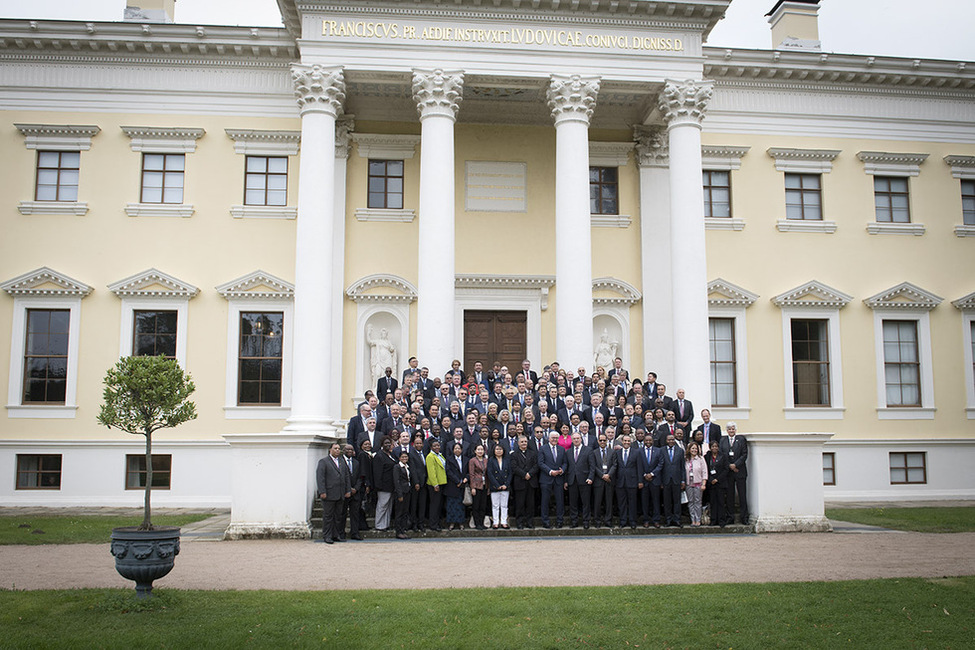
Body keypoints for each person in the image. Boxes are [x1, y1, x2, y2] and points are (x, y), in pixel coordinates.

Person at [316, 442, 351, 544]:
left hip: (340, 493)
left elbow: (346, 476)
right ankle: (327, 535)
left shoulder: (341, 461)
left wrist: (347, 490)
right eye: (335, 448)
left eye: (339, 448)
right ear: (330, 450)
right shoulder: (324, 462)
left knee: (338, 516)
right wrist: (322, 491)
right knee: (328, 516)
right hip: (329, 493)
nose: (337, 450)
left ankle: (336, 535)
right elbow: (320, 478)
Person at [720, 421, 749, 525]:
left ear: (735, 430)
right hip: (729, 473)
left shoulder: (741, 440)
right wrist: (730, 466)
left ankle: (744, 517)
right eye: (729, 429)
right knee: (729, 496)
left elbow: (744, 454)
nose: (731, 430)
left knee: (742, 495)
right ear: (727, 430)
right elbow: (722, 455)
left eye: (733, 429)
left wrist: (736, 465)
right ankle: (730, 517)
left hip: (740, 471)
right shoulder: (722, 440)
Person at [537, 430, 567, 528]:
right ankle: (545, 521)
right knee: (545, 501)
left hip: (559, 479)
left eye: (556, 438)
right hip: (546, 478)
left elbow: (565, 463)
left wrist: (562, 470)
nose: (554, 439)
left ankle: (560, 521)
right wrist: (550, 471)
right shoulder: (542, 448)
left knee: (560, 501)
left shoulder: (562, 449)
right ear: (549, 438)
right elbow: (540, 463)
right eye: (552, 438)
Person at [565, 431, 594, 528]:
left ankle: (586, 521)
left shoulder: (588, 450)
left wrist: (590, 477)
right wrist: (566, 480)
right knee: (573, 502)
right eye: (574, 438)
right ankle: (574, 521)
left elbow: (592, 466)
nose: (576, 440)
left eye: (578, 438)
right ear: (572, 440)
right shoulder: (568, 452)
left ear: (581, 439)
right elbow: (567, 467)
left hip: (585, 480)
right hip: (572, 480)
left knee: (585, 502)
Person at [613, 434, 642, 529]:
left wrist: (640, 481)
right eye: (625, 441)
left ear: (631, 442)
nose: (626, 443)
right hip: (620, 482)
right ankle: (623, 521)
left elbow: (639, 468)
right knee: (621, 503)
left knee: (632, 503)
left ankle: (633, 521)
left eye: (628, 441)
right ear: (622, 442)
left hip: (632, 481)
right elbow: (615, 468)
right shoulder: (617, 453)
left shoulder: (636, 452)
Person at [511, 435, 538, 529]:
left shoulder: (533, 453)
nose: (524, 443)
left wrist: (529, 474)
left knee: (530, 504)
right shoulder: (514, 454)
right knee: (520, 504)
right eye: (522, 442)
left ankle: (530, 522)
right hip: (520, 482)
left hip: (531, 481)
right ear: (518, 443)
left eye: (525, 442)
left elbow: (536, 465)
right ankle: (519, 523)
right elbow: (514, 467)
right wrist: (524, 474)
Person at [339, 444, 364, 541]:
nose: (349, 451)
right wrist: (348, 489)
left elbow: (359, 477)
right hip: (344, 492)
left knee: (355, 514)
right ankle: (341, 533)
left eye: (351, 449)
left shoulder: (356, 462)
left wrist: (356, 488)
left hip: (355, 492)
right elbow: (341, 478)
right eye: (347, 449)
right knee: (342, 514)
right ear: (343, 451)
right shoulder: (340, 462)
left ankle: (355, 533)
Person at [661, 434, 686, 527]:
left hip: (677, 480)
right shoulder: (662, 450)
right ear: (666, 440)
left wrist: (683, 481)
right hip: (666, 480)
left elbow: (682, 467)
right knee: (667, 502)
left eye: (672, 439)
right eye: (669, 439)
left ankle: (677, 519)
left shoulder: (680, 451)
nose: (671, 441)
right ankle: (668, 519)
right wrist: (661, 481)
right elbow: (661, 466)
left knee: (677, 501)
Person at [372, 436, 396, 531]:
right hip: (383, 486)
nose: (388, 445)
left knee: (388, 506)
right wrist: (378, 486)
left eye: (389, 443)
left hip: (391, 485)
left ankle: (385, 524)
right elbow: (377, 472)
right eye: (386, 443)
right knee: (382, 506)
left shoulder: (390, 455)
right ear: (382, 444)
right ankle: (379, 525)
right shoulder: (379, 455)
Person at [487, 442, 512, 529]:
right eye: (497, 449)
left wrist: (506, 484)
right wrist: (496, 485)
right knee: (495, 505)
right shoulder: (491, 460)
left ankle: (504, 521)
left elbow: (510, 473)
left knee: (504, 505)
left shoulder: (507, 460)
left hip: (505, 486)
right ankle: (496, 521)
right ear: (494, 450)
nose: (498, 451)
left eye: (500, 449)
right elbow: (489, 473)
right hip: (495, 486)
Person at [444, 442, 468, 530]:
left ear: (462, 450)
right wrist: (457, 481)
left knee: (461, 505)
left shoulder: (466, 459)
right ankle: (452, 523)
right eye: (455, 448)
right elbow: (448, 471)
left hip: (463, 485)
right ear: (453, 450)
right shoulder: (449, 459)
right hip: (452, 485)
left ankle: (461, 523)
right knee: (451, 505)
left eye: (459, 448)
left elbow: (469, 471)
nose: (457, 450)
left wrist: (466, 478)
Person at [705, 440, 728, 527]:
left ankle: (722, 520)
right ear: (710, 448)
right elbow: (705, 469)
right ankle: (713, 520)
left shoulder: (723, 456)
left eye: (716, 446)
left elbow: (726, 469)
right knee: (713, 502)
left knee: (721, 502)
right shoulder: (707, 457)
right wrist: (711, 479)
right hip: (711, 483)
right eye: (713, 446)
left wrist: (717, 479)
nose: (714, 448)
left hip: (720, 483)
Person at [366, 324, 397, 389]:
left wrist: (392, 349)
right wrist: (368, 333)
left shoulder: (389, 342)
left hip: (387, 359)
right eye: (382, 333)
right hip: (379, 359)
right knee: (377, 373)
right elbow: (369, 341)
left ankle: (386, 388)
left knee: (386, 374)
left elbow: (392, 350)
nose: (384, 334)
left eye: (385, 333)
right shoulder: (378, 341)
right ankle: (376, 388)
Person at [425, 438, 447, 531]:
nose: (437, 447)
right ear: (431, 447)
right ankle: (433, 524)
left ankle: (438, 522)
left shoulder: (440, 455)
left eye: (438, 445)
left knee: (439, 505)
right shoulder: (430, 456)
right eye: (434, 446)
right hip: (435, 485)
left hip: (442, 483)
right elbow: (431, 472)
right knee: (434, 505)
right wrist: (435, 484)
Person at [684, 442, 707, 526]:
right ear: (689, 449)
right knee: (690, 502)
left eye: (695, 448)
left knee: (698, 502)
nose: (694, 450)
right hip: (688, 484)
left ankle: (698, 519)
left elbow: (704, 471)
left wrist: (704, 483)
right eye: (692, 448)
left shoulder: (701, 459)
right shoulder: (686, 459)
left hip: (698, 483)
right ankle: (692, 519)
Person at [408, 435, 428, 531]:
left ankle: (421, 523)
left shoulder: (424, 453)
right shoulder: (411, 454)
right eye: (417, 443)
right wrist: (416, 483)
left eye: (420, 443)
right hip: (416, 484)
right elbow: (413, 470)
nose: (419, 445)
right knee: (414, 505)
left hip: (424, 483)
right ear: (413, 444)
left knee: (422, 505)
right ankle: (414, 524)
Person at [468, 444, 489, 530]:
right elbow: (471, 474)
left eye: (481, 450)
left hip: (485, 485)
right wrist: (472, 487)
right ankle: (477, 523)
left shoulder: (486, 460)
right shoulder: (472, 461)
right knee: (476, 505)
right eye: (478, 449)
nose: (480, 451)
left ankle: (482, 522)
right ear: (475, 451)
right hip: (476, 485)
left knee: (483, 505)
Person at [393, 449, 412, 539]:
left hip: (407, 491)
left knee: (405, 512)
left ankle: (403, 530)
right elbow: (396, 481)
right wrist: (399, 494)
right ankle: (398, 531)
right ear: (399, 458)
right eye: (403, 457)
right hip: (401, 492)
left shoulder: (407, 466)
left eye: (406, 457)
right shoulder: (397, 467)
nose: (404, 458)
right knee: (399, 512)